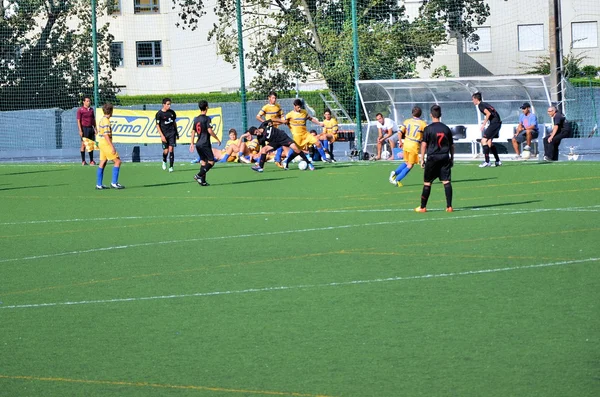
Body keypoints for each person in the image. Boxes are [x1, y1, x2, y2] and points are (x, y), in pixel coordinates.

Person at [415, 105, 454, 213]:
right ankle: (449, 206)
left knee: (427, 183)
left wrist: (422, 158)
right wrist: (452, 158)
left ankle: (423, 207)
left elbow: (423, 145)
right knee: (446, 182)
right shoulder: (446, 128)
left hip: (432, 158)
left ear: (431, 115)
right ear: (440, 115)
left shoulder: (428, 129)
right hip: (444, 157)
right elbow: (451, 145)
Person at [240, 120, 312, 172]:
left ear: (257, 129)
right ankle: (260, 167)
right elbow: (263, 147)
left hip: (282, 136)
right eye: (255, 134)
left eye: (256, 132)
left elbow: (273, 120)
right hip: (274, 142)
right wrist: (262, 156)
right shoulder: (260, 138)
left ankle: (308, 163)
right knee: (264, 149)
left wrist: (282, 121)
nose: (257, 134)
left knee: (296, 149)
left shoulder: (263, 124)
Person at [282, 99, 328, 167]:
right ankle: (287, 160)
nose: (299, 108)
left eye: (300, 107)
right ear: (294, 106)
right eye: (298, 107)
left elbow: (311, 118)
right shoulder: (290, 114)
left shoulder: (304, 112)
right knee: (296, 151)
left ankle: (324, 158)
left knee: (317, 142)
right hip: (297, 136)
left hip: (306, 134)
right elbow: (283, 120)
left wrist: (319, 123)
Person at [389, 106, 427, 187]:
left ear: (412, 113)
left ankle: (394, 173)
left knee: (406, 162)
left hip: (406, 143)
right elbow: (427, 134)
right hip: (414, 145)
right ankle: (396, 179)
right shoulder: (423, 124)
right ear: (420, 114)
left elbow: (399, 132)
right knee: (410, 165)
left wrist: (400, 142)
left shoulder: (407, 121)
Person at [190, 100, 221, 186]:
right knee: (211, 162)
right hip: (205, 143)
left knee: (203, 162)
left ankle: (203, 181)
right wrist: (217, 139)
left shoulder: (196, 119)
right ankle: (199, 175)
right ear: (206, 107)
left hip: (198, 144)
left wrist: (192, 143)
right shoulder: (207, 118)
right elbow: (210, 131)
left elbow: (193, 132)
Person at [95, 103, 124, 189]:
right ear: (111, 111)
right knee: (118, 161)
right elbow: (106, 135)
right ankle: (114, 183)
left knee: (102, 162)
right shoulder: (106, 121)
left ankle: (99, 184)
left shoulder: (102, 119)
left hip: (101, 143)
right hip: (105, 143)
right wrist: (112, 146)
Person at [256, 91, 287, 168]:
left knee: (278, 144)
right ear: (269, 98)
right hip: (268, 131)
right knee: (267, 148)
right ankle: (260, 162)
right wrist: (265, 123)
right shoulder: (265, 107)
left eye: (275, 98)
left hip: (276, 130)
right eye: (273, 98)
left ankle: (275, 160)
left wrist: (283, 121)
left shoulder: (278, 106)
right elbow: (258, 116)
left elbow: (282, 116)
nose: (274, 99)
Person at [472, 92, 502, 167]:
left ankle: (487, 161)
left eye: (473, 99)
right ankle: (498, 161)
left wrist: (483, 124)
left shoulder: (481, 105)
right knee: (489, 142)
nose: (472, 101)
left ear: (476, 99)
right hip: (497, 123)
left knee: (483, 140)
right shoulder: (484, 104)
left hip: (494, 123)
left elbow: (488, 113)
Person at [156, 97, 178, 173]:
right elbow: (157, 125)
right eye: (168, 104)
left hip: (172, 133)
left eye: (170, 104)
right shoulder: (159, 114)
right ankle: (164, 160)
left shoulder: (172, 112)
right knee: (166, 151)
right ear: (163, 105)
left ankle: (171, 166)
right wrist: (162, 136)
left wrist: (177, 132)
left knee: (171, 149)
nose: (169, 106)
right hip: (164, 135)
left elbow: (174, 122)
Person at [77, 96, 97, 166]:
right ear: (84, 102)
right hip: (84, 128)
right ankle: (83, 161)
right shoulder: (80, 110)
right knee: (83, 144)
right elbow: (78, 121)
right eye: (87, 101)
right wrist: (80, 130)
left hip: (91, 128)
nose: (89, 102)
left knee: (91, 144)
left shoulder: (91, 110)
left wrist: (95, 128)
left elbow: (93, 119)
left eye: (89, 101)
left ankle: (91, 161)